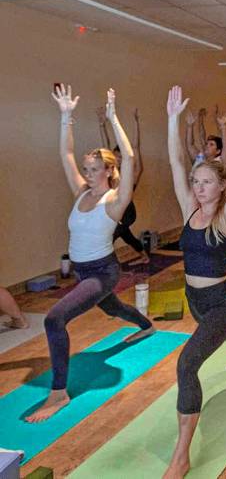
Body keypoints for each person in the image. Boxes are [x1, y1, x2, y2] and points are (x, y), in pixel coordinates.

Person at [26, 85, 155, 423]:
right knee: (114, 309)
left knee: (55, 318)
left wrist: (114, 118)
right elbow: (65, 156)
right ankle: (146, 325)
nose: (87, 173)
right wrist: (66, 117)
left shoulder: (114, 201)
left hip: (102, 272)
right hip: (83, 272)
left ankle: (58, 393)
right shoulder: (80, 192)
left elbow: (129, 158)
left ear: (109, 172)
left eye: (95, 169)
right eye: (87, 168)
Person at [164, 85, 226, 479]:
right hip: (196, 300)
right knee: (222, 334)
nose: (198, 186)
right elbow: (174, 163)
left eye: (206, 181)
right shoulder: (190, 209)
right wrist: (171, 120)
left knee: (187, 364)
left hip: (221, 300)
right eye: (196, 181)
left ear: (220, 187)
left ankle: (181, 457)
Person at [100, 107, 150, 265]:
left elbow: (135, 147)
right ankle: (144, 256)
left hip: (127, 213)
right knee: (126, 236)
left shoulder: (129, 176)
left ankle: (104, 265)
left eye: (122, 157)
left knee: (109, 237)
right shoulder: (110, 172)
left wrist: (136, 123)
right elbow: (105, 146)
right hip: (115, 211)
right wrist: (102, 125)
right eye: (116, 156)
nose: (119, 159)